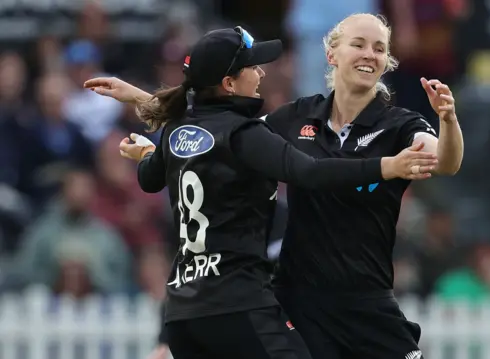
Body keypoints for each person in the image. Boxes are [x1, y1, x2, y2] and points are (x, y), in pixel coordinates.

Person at [86, 14, 463, 359]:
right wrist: (140, 98)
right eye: (359, 44)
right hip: (300, 302)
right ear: (332, 54)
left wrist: (448, 121)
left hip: (367, 301)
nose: (370, 54)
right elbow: (218, 129)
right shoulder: (295, 116)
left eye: (380, 48)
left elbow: (445, 161)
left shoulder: (400, 123)